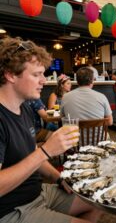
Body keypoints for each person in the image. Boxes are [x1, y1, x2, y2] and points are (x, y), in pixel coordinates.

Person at [0, 37, 102, 223]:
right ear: (10, 75)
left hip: (39, 193)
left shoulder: (23, 108)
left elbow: (30, 154)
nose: (44, 80)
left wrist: (58, 178)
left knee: (97, 201)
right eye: (36, 74)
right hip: (13, 210)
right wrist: (46, 151)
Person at [61, 67, 113, 143]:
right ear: (92, 81)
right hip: (98, 144)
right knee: (108, 137)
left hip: (74, 144)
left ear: (77, 81)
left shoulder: (65, 97)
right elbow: (110, 122)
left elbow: (62, 118)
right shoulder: (102, 97)